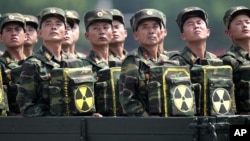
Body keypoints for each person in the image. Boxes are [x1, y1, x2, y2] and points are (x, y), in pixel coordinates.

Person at [16, 7, 85, 117]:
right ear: (40, 32)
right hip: (48, 128)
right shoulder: (33, 64)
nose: (53, 27)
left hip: (76, 127)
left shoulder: (75, 63)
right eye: (48, 24)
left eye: (58, 24)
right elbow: (26, 106)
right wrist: (54, 115)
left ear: (65, 32)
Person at [119, 8, 179, 117]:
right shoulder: (133, 61)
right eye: (145, 27)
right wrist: (148, 120)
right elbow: (127, 99)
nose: (151, 31)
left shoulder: (170, 62)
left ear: (162, 32)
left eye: (155, 26)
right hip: (148, 127)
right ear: (136, 35)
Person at [219, 6, 250, 115]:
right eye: (239, 23)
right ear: (228, 32)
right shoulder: (227, 61)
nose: (245, 25)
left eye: (247, 22)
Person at [0, 13, 27, 116]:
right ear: (1, 37)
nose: (13, 33)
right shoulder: (1, 65)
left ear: (25, 36)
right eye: (8, 30)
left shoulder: (34, 64)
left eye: (17, 29)